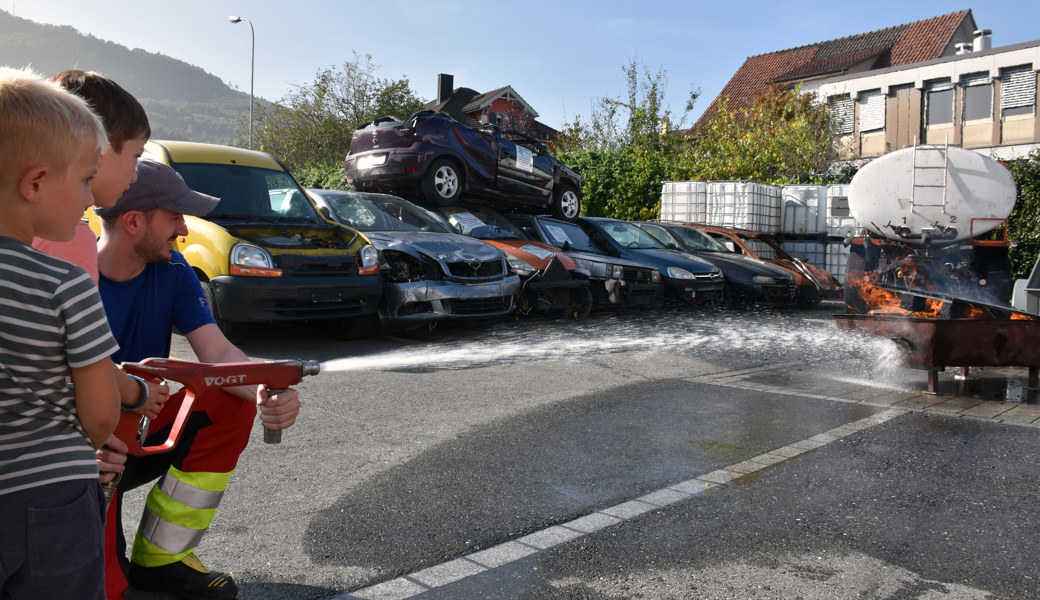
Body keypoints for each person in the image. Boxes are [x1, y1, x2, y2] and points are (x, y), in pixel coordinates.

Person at [95, 158, 303, 600]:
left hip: (138, 426)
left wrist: (264, 390)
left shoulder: (174, 273)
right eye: (174, 216)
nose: (185, 230)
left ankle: (162, 559)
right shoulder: (73, 277)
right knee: (107, 590)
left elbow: (220, 356)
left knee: (230, 398)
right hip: (84, 448)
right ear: (133, 221)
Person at [0, 67, 121, 599]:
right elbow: (99, 415)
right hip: (52, 500)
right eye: (85, 179)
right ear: (35, 183)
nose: (91, 199)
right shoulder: (65, 284)